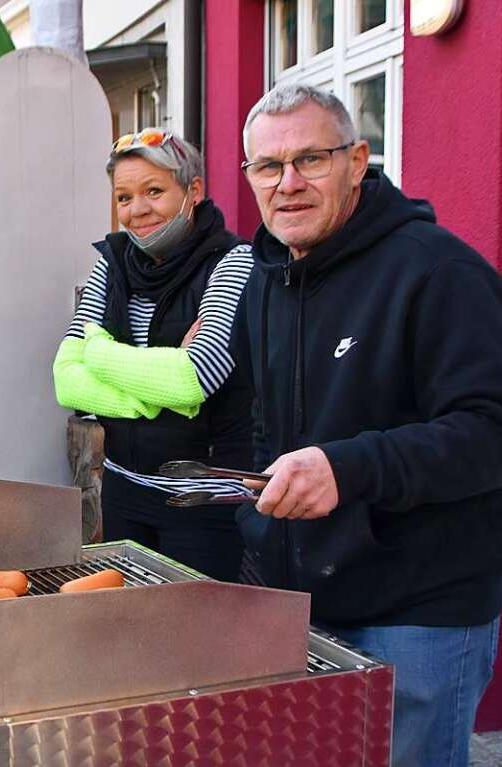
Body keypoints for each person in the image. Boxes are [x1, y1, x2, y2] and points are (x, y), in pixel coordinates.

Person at [233, 83, 502, 767]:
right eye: (267, 166)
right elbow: (260, 422)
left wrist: (345, 467)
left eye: (310, 160)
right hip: (303, 600)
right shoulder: (265, 277)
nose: (286, 183)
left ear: (356, 161)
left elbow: (486, 432)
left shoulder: (440, 272)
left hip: (419, 609)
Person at [53, 129, 255, 581]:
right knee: (129, 630)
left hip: (203, 499)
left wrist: (101, 353)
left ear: (194, 192)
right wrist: (154, 390)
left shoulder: (235, 262)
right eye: (124, 197)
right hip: (124, 489)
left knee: (195, 639)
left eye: (154, 191)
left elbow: (194, 378)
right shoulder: (112, 261)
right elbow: (66, 380)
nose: (136, 210)